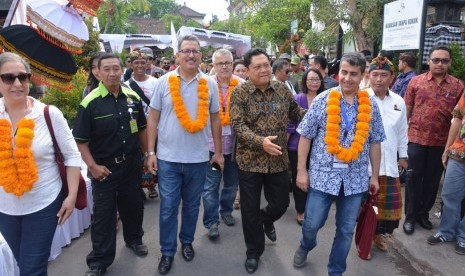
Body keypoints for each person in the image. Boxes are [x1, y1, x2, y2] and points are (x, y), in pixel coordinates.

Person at [292, 52, 385, 275]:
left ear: (362, 76)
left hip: (354, 180)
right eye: (344, 72)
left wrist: (374, 176)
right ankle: (306, 245)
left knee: (344, 230)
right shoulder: (324, 99)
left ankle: (336, 271)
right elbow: (305, 135)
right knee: (312, 224)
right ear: (338, 72)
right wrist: (301, 171)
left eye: (354, 74)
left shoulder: (370, 104)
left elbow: (375, 141)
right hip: (323, 177)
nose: (347, 78)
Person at [145, 35, 224, 275]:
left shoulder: (209, 84)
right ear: (178, 55)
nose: (191, 55)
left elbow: (215, 118)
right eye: (186, 51)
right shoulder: (164, 82)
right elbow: (153, 118)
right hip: (168, 158)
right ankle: (167, 251)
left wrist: (218, 152)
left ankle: (187, 242)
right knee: (168, 207)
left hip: (199, 159)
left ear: (201, 56)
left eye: (195, 51)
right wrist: (150, 152)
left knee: (191, 206)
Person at [0, 52, 81, 275]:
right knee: (24, 263)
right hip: (4, 208)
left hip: (43, 203)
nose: (17, 84)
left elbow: (72, 156)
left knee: (32, 268)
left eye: (23, 77)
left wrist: (71, 197)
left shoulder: (48, 114)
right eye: (8, 78)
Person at [229, 48, 306, 274]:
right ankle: (253, 251)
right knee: (249, 210)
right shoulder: (240, 93)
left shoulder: (282, 90)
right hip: (249, 161)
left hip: (278, 161)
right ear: (248, 70)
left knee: (281, 204)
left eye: (266, 65)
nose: (263, 70)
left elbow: (297, 113)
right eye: (257, 67)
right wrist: (260, 142)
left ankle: (266, 219)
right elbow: (238, 126)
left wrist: (321, 114)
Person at [73, 53, 149, 276]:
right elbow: (81, 140)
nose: (113, 73)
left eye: (116, 68)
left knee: (133, 207)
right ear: (98, 72)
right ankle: (98, 261)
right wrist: (93, 167)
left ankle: (135, 239)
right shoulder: (90, 102)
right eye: (107, 69)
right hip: (104, 170)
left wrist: (148, 155)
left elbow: (142, 128)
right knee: (104, 216)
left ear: (122, 68)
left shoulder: (132, 97)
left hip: (131, 166)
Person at [403, 45, 464, 235]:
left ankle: (423, 214)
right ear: (428, 61)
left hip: (441, 142)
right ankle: (410, 216)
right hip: (416, 138)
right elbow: (407, 108)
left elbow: (459, 117)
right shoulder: (416, 82)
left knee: (432, 181)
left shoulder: (457, 86)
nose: (439, 64)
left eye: (444, 61)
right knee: (413, 179)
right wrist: (402, 136)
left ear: (449, 63)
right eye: (436, 60)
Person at [202, 48, 244, 240]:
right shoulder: (205, 86)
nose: (225, 66)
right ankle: (211, 222)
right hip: (211, 146)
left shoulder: (242, 86)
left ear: (233, 64)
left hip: (236, 147)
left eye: (228, 62)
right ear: (213, 66)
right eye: (220, 63)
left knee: (231, 185)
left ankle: (226, 211)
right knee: (210, 187)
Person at [367, 56, 408, 254]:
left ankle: (377, 234)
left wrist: (404, 156)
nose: (379, 79)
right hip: (363, 165)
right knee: (363, 205)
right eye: (375, 74)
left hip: (389, 163)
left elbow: (402, 131)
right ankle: (362, 234)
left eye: (384, 75)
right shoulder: (360, 98)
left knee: (385, 208)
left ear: (392, 77)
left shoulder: (399, 101)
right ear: (368, 76)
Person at [427, 90, 465, 255]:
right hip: (458, 153)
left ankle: (463, 237)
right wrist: (447, 149)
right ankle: (446, 232)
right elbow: (457, 120)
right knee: (449, 195)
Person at [287, 69, 325, 225]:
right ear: (304, 81)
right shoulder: (298, 98)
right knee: (300, 177)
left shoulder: (326, 99)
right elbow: (290, 125)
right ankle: (301, 210)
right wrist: (284, 145)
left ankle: (313, 208)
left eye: (317, 79)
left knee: (315, 178)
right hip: (297, 146)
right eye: (311, 79)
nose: (314, 82)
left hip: (319, 147)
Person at [124, 50, 159, 199]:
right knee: (136, 159)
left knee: (151, 156)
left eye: (143, 62)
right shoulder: (125, 85)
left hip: (153, 128)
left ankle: (151, 186)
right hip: (134, 129)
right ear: (131, 64)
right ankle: (138, 188)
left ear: (148, 64)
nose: (139, 65)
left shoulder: (155, 83)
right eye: (136, 62)